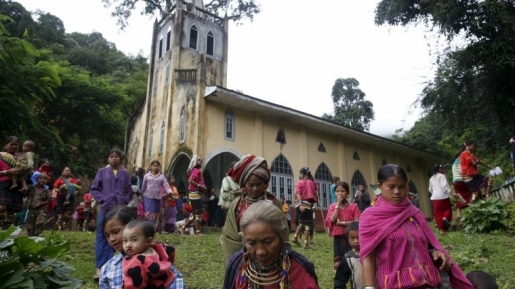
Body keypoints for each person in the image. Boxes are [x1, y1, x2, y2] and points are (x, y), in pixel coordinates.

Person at [360, 164, 473, 289]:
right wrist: (369, 287)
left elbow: (428, 244)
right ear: (379, 186)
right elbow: (367, 257)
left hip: (427, 282)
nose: (397, 191)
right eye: (391, 187)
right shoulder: (370, 217)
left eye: (402, 187)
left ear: (407, 187)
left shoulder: (414, 212)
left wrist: (434, 252)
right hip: (394, 285)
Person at [223, 201, 319, 289]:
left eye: (268, 241)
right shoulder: (237, 263)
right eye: (252, 243)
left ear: (283, 235)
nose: (260, 252)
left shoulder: (300, 269)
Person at [99, 206, 185, 289]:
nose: (111, 239)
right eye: (107, 235)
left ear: (132, 226)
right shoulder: (108, 268)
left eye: (115, 232)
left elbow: (176, 281)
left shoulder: (158, 260)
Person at [220, 154, 283, 265]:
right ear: (244, 185)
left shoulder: (273, 202)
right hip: (243, 259)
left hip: (269, 257)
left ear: (265, 184)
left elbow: (282, 232)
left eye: (259, 184)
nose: (255, 188)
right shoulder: (236, 204)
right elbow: (230, 236)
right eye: (251, 185)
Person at [90, 149, 133, 281]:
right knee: (103, 236)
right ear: (108, 159)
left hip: (120, 208)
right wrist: (102, 199)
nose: (114, 159)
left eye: (116, 157)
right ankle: (100, 268)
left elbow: (129, 190)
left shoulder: (125, 174)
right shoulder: (102, 172)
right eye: (111, 157)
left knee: (123, 235)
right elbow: (94, 189)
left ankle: (125, 266)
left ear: (120, 159)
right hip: (105, 208)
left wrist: (125, 200)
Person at [324, 181, 360, 289]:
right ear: (334, 193)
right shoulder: (332, 206)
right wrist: (337, 205)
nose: (340, 193)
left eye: (343, 191)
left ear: (347, 193)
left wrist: (342, 223)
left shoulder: (353, 207)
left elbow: (357, 222)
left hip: (351, 240)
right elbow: (333, 220)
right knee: (338, 264)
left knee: (353, 264)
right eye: (337, 191)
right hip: (338, 239)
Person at [121, 219, 175, 289]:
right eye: (125, 241)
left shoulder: (136, 262)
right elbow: (171, 251)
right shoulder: (160, 248)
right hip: (167, 281)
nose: (128, 245)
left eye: (134, 240)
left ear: (148, 241)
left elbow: (134, 285)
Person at [429, 164, 466, 233]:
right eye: (442, 169)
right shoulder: (442, 176)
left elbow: (430, 189)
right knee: (447, 209)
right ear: (439, 169)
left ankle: (441, 230)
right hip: (443, 197)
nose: (443, 170)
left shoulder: (431, 178)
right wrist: (452, 193)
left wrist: (435, 193)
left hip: (435, 198)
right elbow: (444, 187)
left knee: (437, 214)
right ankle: (445, 218)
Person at [0, 136, 24, 229]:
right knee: (2, 207)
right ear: (6, 145)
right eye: (11, 144)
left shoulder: (21, 157)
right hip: (3, 184)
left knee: (12, 209)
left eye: (16, 145)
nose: (14, 146)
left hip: (17, 185)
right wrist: (8, 172)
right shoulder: (1, 156)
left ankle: (5, 231)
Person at [292, 166, 318, 249]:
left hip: (298, 205)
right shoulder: (312, 182)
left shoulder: (300, 182)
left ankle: (295, 237)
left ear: (302, 174)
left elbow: (298, 193)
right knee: (308, 225)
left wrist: (299, 204)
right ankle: (305, 243)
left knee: (302, 223)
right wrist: (302, 204)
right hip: (306, 205)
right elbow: (316, 193)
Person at [141, 160, 172, 228]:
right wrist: (141, 195)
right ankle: (148, 228)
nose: (155, 167)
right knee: (149, 214)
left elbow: (166, 186)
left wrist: (169, 192)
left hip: (157, 198)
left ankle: (153, 229)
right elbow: (143, 187)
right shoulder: (146, 176)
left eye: (157, 166)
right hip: (148, 197)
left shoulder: (161, 177)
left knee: (156, 214)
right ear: (151, 167)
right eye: (154, 166)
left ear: (159, 167)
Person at [180, 155, 206, 236]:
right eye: (198, 160)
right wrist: (199, 186)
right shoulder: (196, 170)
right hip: (195, 194)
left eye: (200, 160)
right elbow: (190, 180)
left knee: (194, 214)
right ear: (195, 162)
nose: (200, 162)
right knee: (198, 213)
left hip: (193, 194)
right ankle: (197, 232)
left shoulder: (196, 170)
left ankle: (183, 228)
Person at [218, 161, 241, 226]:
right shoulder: (226, 180)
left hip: (239, 205)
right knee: (229, 225)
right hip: (229, 206)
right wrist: (237, 192)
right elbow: (225, 194)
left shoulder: (239, 180)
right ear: (230, 169)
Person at [342, 222, 363, 289]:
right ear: (348, 239)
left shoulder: (373, 254)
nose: (356, 241)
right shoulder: (348, 257)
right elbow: (341, 277)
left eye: (358, 237)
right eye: (352, 238)